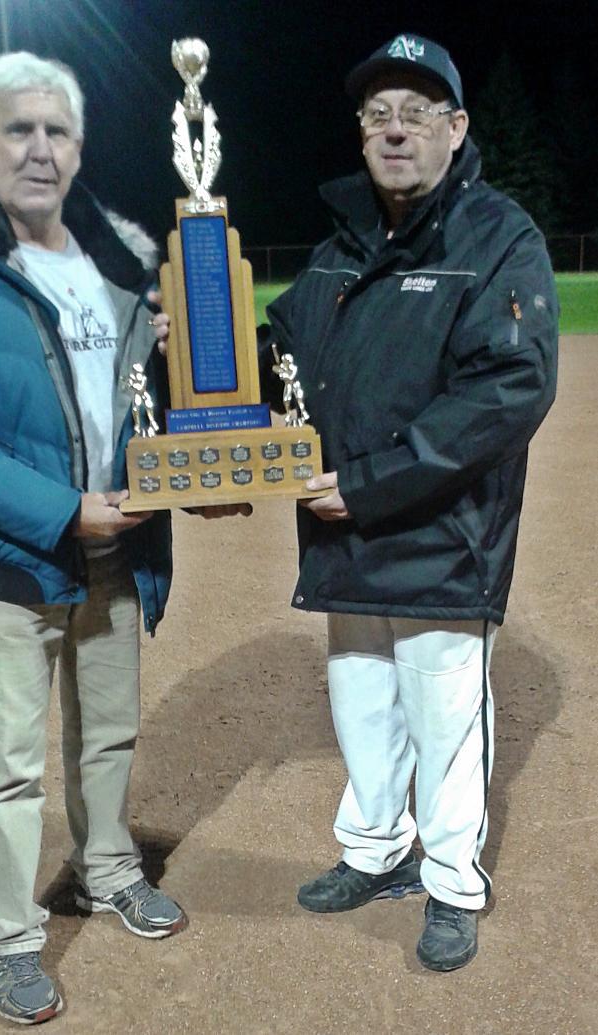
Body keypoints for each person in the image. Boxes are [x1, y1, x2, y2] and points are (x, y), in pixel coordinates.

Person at [0, 51, 192, 1025]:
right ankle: (12, 940)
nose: (38, 147)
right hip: (12, 556)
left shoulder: (115, 265)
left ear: (78, 149)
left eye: (55, 130)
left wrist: (199, 458)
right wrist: (63, 509)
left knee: (109, 734)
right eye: (16, 129)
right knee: (10, 765)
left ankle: (107, 868)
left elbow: (148, 410)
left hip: (119, 551)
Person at [258, 33, 558, 971]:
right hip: (344, 533)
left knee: (442, 714)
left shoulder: (498, 234)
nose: (395, 131)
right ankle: (375, 848)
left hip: (439, 534)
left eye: (417, 114)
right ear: (359, 134)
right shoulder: (337, 246)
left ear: (455, 128)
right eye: (377, 115)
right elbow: (283, 364)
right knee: (361, 702)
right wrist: (195, 361)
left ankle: (451, 881)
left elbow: (509, 387)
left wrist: (374, 483)